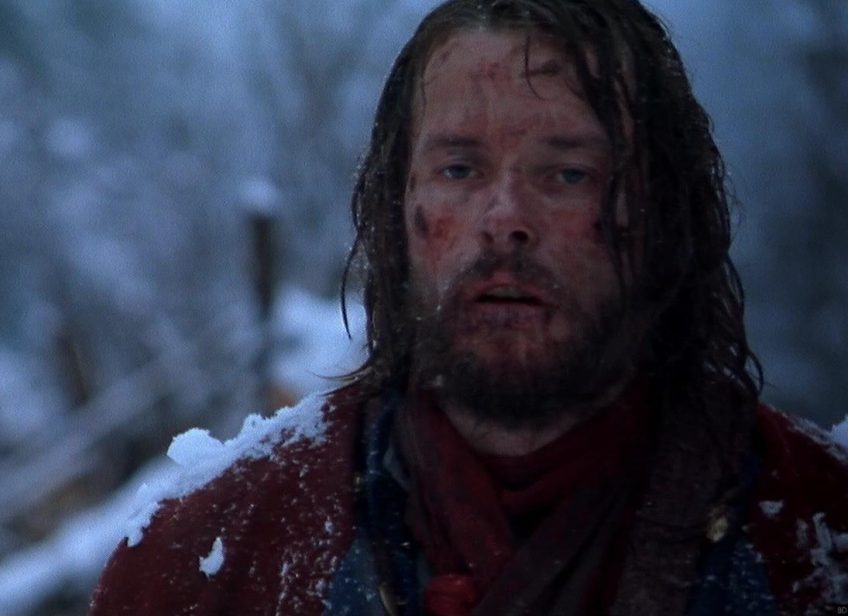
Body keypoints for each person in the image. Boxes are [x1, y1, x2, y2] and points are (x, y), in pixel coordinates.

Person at [89, 1, 848, 614]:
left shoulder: (819, 533)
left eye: (568, 174)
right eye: (459, 169)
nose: (504, 219)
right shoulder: (206, 561)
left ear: (662, 214)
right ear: (399, 206)